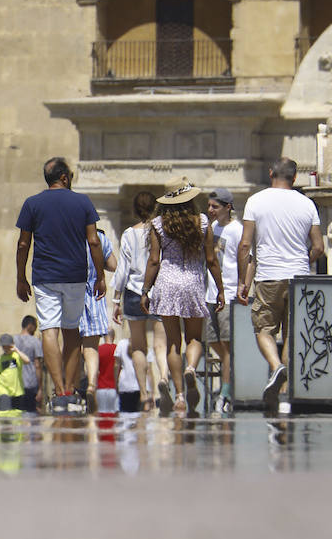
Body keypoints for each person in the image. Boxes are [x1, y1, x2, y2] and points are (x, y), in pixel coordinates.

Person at [14, 156, 106, 415]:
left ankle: (59, 392)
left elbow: (23, 244)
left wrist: (21, 277)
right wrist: (100, 276)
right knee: (72, 330)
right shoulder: (83, 202)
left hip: (45, 277)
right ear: (65, 177)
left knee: (49, 330)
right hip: (76, 276)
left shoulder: (32, 204)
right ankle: (71, 388)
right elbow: (94, 242)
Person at [238, 157, 324, 412]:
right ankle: (284, 395)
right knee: (291, 334)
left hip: (269, 275)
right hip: (299, 277)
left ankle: (277, 368)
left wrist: (244, 281)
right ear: (295, 178)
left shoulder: (256, 201)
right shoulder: (307, 204)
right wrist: (302, 260)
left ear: (270, 172)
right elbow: (318, 246)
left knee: (263, 329)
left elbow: (245, 244)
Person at [140, 178, 224, 416]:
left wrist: (145, 290)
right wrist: (220, 289)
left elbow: (154, 260)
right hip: (193, 282)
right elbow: (211, 259)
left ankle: (178, 396)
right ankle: (190, 368)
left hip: (166, 283)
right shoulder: (203, 222)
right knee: (195, 338)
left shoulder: (157, 224)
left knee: (173, 343)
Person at [111, 191, 164, 412]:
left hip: (133, 292)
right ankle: (161, 388)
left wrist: (116, 298)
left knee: (138, 346)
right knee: (161, 343)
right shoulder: (162, 231)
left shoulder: (128, 234)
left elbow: (122, 269)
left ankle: (143, 394)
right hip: (159, 289)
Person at [206, 188, 244, 416]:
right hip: (210, 293)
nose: (210, 211)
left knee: (227, 344)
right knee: (212, 340)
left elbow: (245, 259)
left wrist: (242, 285)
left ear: (227, 207)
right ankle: (232, 373)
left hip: (229, 293)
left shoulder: (237, 230)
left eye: (215, 207)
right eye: (209, 206)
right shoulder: (211, 229)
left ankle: (226, 392)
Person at [79, 230, 118, 411]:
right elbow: (113, 264)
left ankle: (67, 389)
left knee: (71, 344)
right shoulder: (100, 237)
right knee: (91, 345)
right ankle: (91, 384)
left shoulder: (68, 234)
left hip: (71, 293)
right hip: (94, 294)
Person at [0, 334, 36, 412]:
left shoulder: (17, 356)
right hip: (4, 391)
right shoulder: (0, 358)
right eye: (3, 346)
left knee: (17, 417)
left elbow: (27, 361)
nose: (5, 348)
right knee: (5, 414)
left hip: (17, 392)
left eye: (7, 346)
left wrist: (16, 350)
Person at [15, 316, 43, 411]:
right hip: (30, 384)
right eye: (35, 326)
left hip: (14, 384)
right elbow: (37, 365)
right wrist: (40, 388)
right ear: (30, 326)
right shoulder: (35, 342)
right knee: (31, 416)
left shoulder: (12, 341)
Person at [94, 339, 120, 415]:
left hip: (101, 387)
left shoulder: (98, 349)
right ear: (114, 336)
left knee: (101, 414)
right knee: (115, 415)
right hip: (114, 388)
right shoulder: (118, 349)